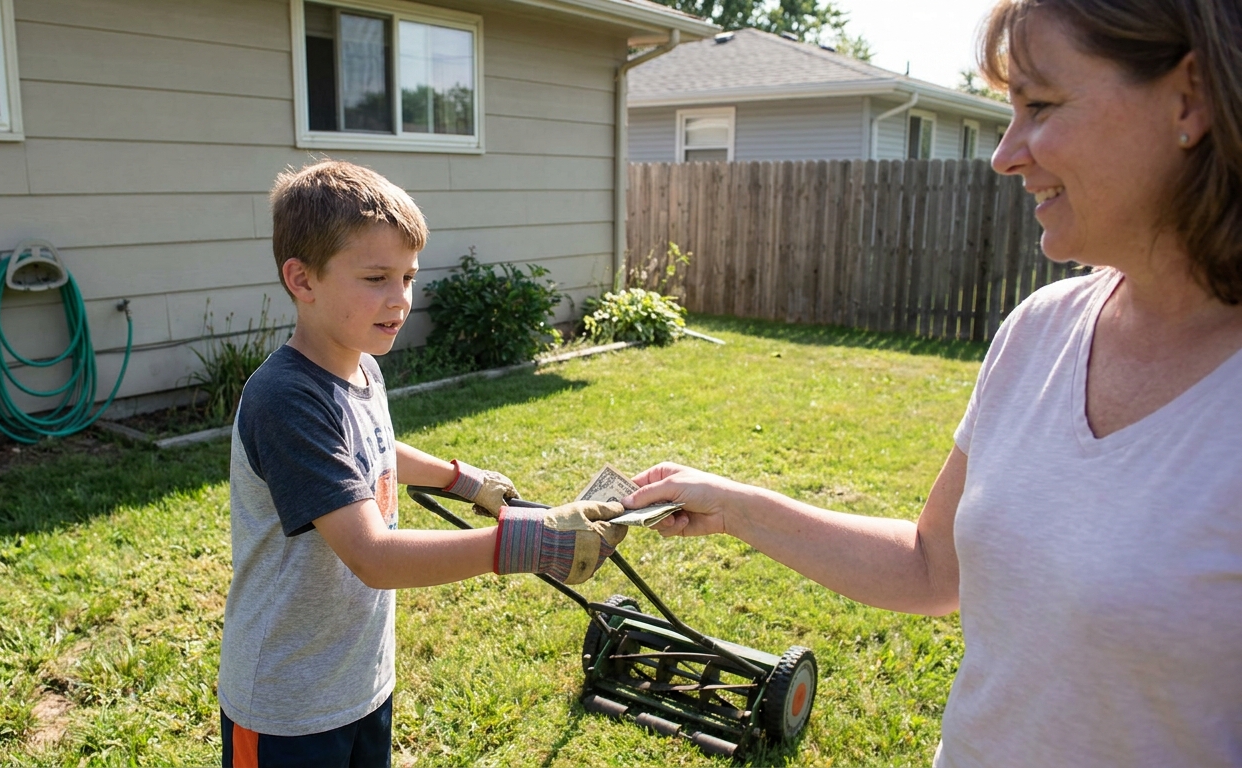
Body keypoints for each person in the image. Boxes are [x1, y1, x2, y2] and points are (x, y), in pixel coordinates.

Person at [623, 1, 1242, 765]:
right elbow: (931, 565)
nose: (1005, 154)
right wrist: (735, 505)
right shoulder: (1039, 331)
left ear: (1191, 99)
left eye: (1041, 106)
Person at [217, 161, 628, 768]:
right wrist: (526, 543)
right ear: (302, 280)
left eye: (408, 276)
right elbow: (373, 556)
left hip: (358, 679)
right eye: (377, 277)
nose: (401, 300)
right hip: (289, 703)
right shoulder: (285, 400)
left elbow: (373, 452)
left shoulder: (360, 365)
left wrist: (466, 481)